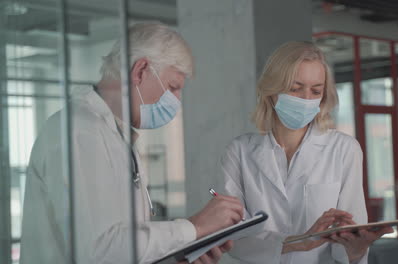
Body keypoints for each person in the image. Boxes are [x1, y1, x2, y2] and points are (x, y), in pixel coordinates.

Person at [20, 22, 244, 264]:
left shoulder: (115, 135)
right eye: (173, 87)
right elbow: (100, 251)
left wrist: (179, 253)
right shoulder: (80, 132)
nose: (177, 101)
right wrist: (193, 227)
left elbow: (123, 246)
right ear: (141, 70)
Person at [221, 41, 393, 264]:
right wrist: (297, 242)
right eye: (295, 88)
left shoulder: (343, 149)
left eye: (316, 90)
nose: (305, 99)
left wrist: (357, 249)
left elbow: (349, 241)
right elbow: (233, 238)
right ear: (272, 91)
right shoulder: (240, 152)